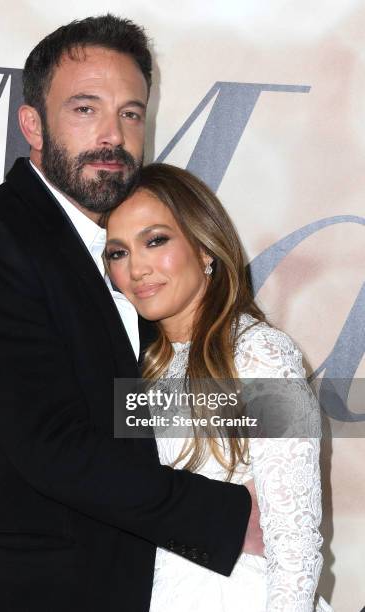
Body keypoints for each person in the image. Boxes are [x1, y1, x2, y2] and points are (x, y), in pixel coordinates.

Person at [0, 15, 261, 612]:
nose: (113, 134)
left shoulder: (132, 253)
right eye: (85, 109)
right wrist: (230, 517)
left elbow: (132, 402)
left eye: (131, 112)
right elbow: (52, 445)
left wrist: (284, 409)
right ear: (33, 125)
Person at [104, 162, 333, 611]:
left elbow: (294, 540)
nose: (137, 268)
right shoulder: (141, 366)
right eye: (118, 252)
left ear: (205, 247)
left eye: (155, 241)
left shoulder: (259, 353)